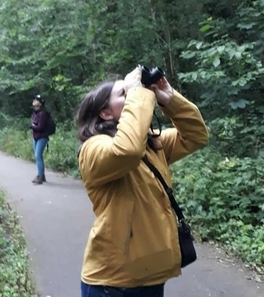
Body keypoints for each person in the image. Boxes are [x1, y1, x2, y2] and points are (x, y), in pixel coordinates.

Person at [76, 66, 209, 297]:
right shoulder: (93, 149)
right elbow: (126, 151)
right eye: (125, 93)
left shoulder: (152, 145)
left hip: (150, 276)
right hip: (113, 283)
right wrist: (137, 93)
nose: (136, 94)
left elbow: (196, 135)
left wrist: (171, 100)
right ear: (106, 114)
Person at [30, 94, 50, 185]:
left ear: (40, 103)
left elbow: (41, 127)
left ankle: (40, 176)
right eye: (34, 99)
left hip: (42, 137)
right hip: (35, 137)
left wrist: (32, 127)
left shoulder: (43, 113)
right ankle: (42, 175)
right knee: (37, 156)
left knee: (38, 156)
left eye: (36, 100)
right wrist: (34, 126)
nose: (34, 101)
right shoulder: (35, 112)